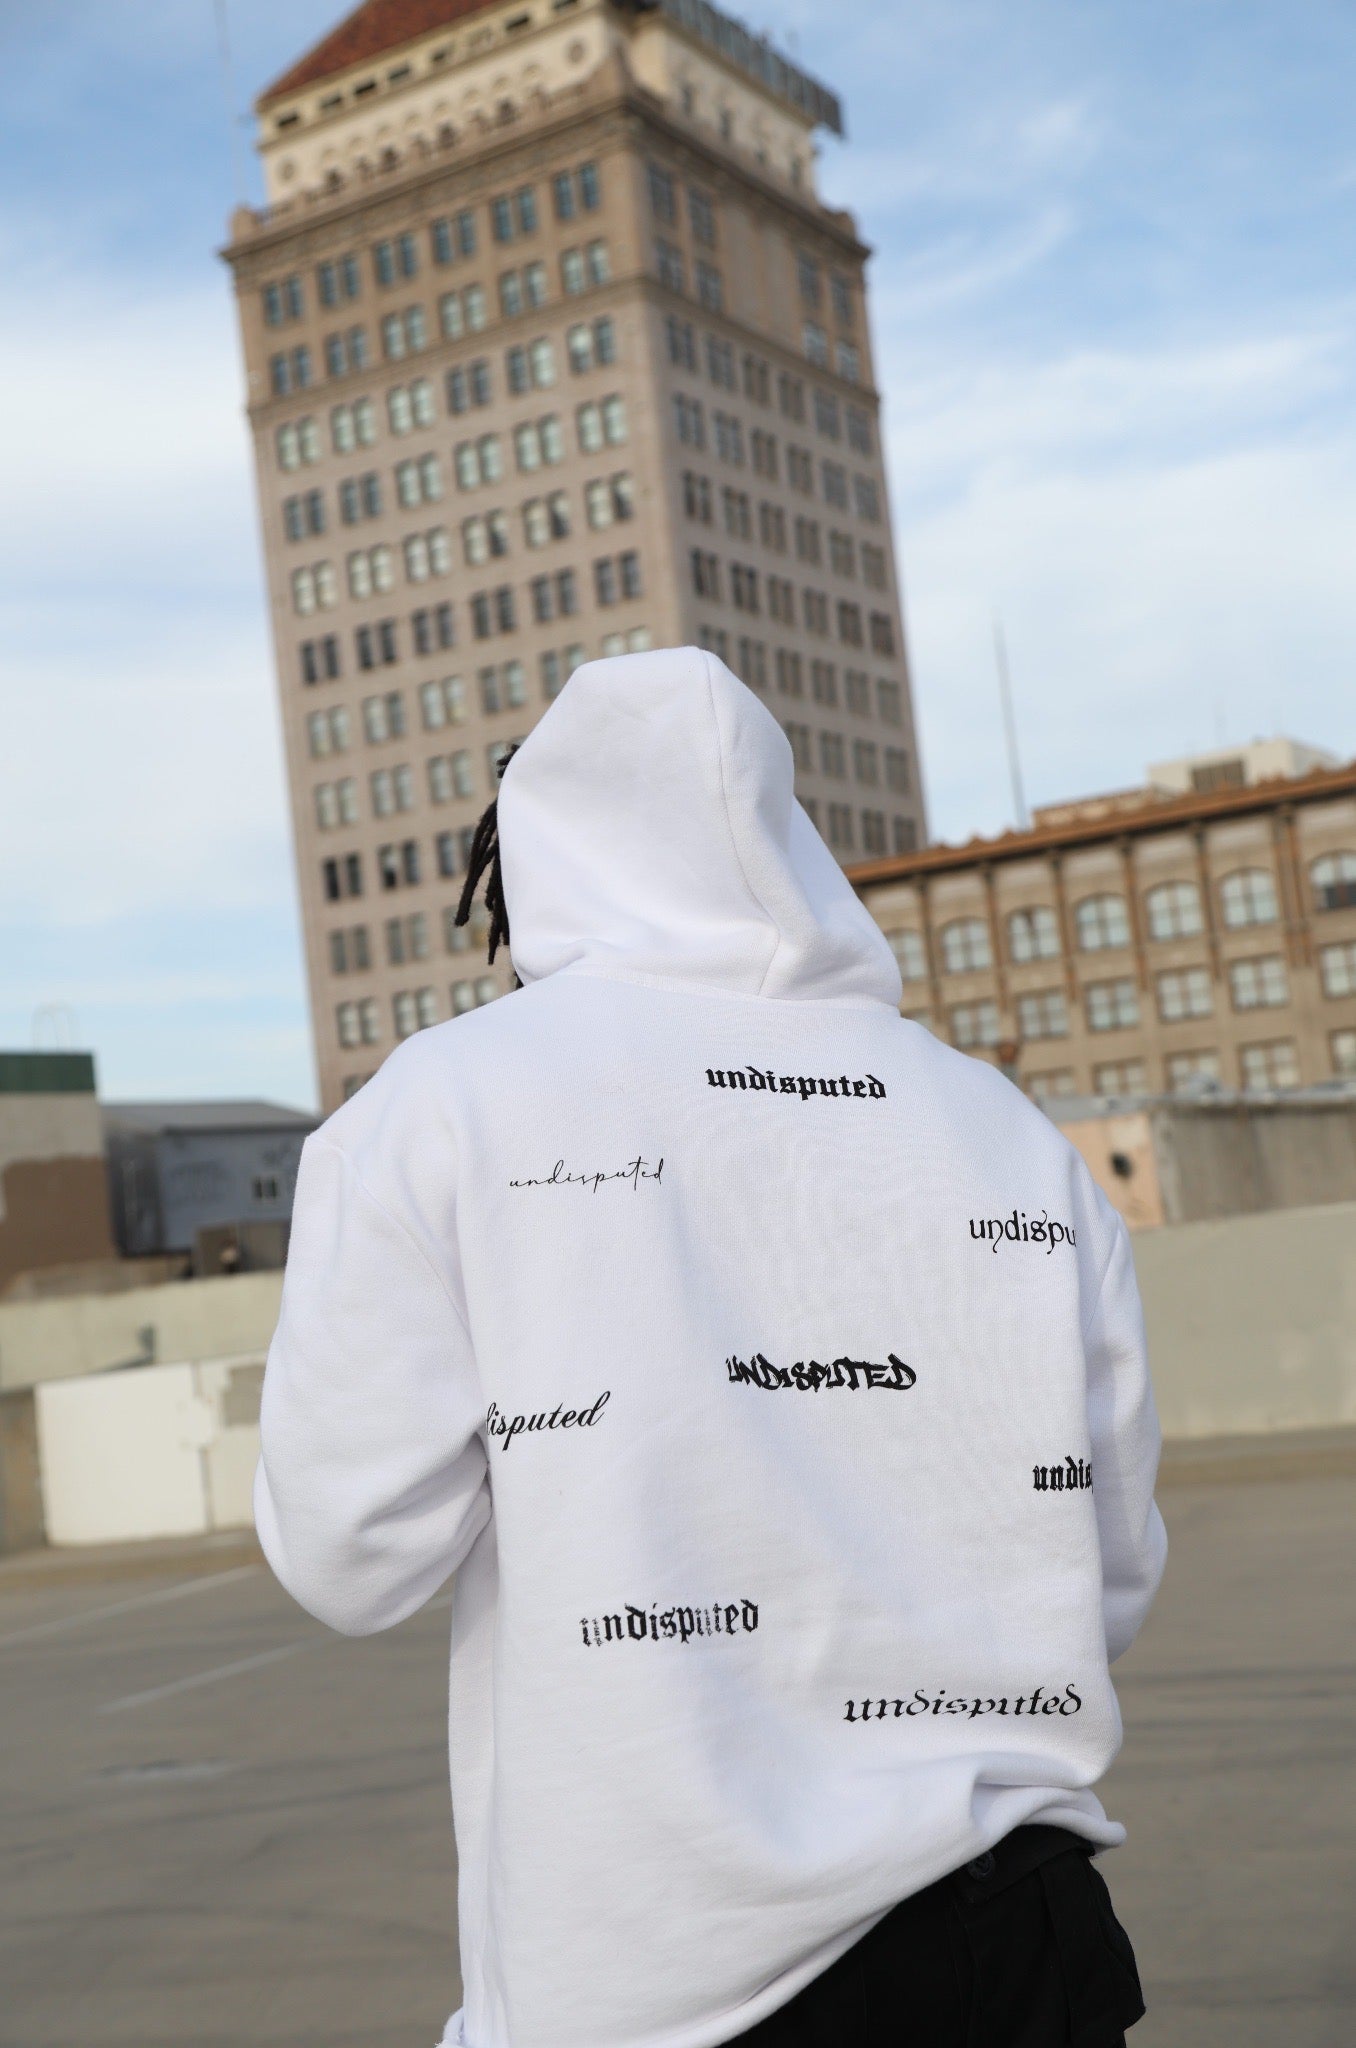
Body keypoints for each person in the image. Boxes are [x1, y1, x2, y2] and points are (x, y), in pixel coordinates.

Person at [256, 645, 1167, 2048]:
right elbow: (1107, 1569)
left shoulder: (441, 1108)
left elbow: (351, 1554)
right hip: (1029, 1939)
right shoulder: (1005, 1130)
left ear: (533, 857)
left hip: (678, 1976)